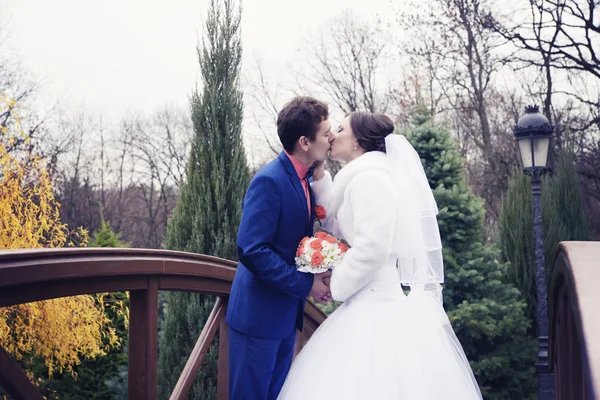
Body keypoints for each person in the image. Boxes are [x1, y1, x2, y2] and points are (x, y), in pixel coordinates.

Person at [277, 111, 483, 400]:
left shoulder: (371, 181)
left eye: (341, 129)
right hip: (365, 299)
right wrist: (321, 175)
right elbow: (335, 221)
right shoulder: (361, 179)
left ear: (358, 140)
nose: (333, 134)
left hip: (376, 301)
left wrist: (337, 284)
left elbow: (373, 248)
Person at [226, 96, 334, 400]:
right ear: (304, 141)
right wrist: (305, 284)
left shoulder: (305, 179)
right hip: (258, 319)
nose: (331, 138)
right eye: (325, 133)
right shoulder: (269, 181)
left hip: (287, 317)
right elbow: (251, 249)